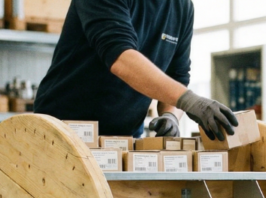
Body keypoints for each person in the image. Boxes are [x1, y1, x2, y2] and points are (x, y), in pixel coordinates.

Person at [34, 0, 237, 141]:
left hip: (122, 139)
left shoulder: (182, 7)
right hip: (61, 130)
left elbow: (177, 75)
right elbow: (120, 56)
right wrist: (190, 100)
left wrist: (171, 116)